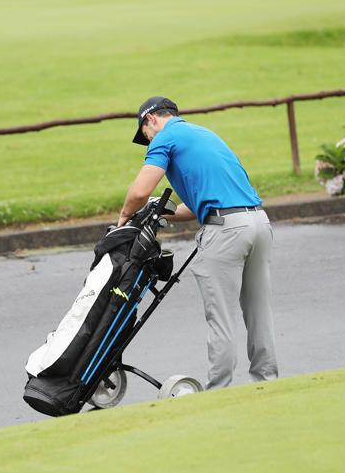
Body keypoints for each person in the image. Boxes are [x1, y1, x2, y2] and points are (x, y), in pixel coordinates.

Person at [118, 96, 278, 390]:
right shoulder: (206, 134)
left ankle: (219, 389)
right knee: (258, 312)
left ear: (151, 118)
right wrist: (166, 210)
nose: (147, 139)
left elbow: (139, 192)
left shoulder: (164, 139)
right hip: (258, 222)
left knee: (221, 317)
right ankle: (266, 383)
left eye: (144, 133)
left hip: (226, 231)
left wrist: (124, 218)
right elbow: (196, 206)